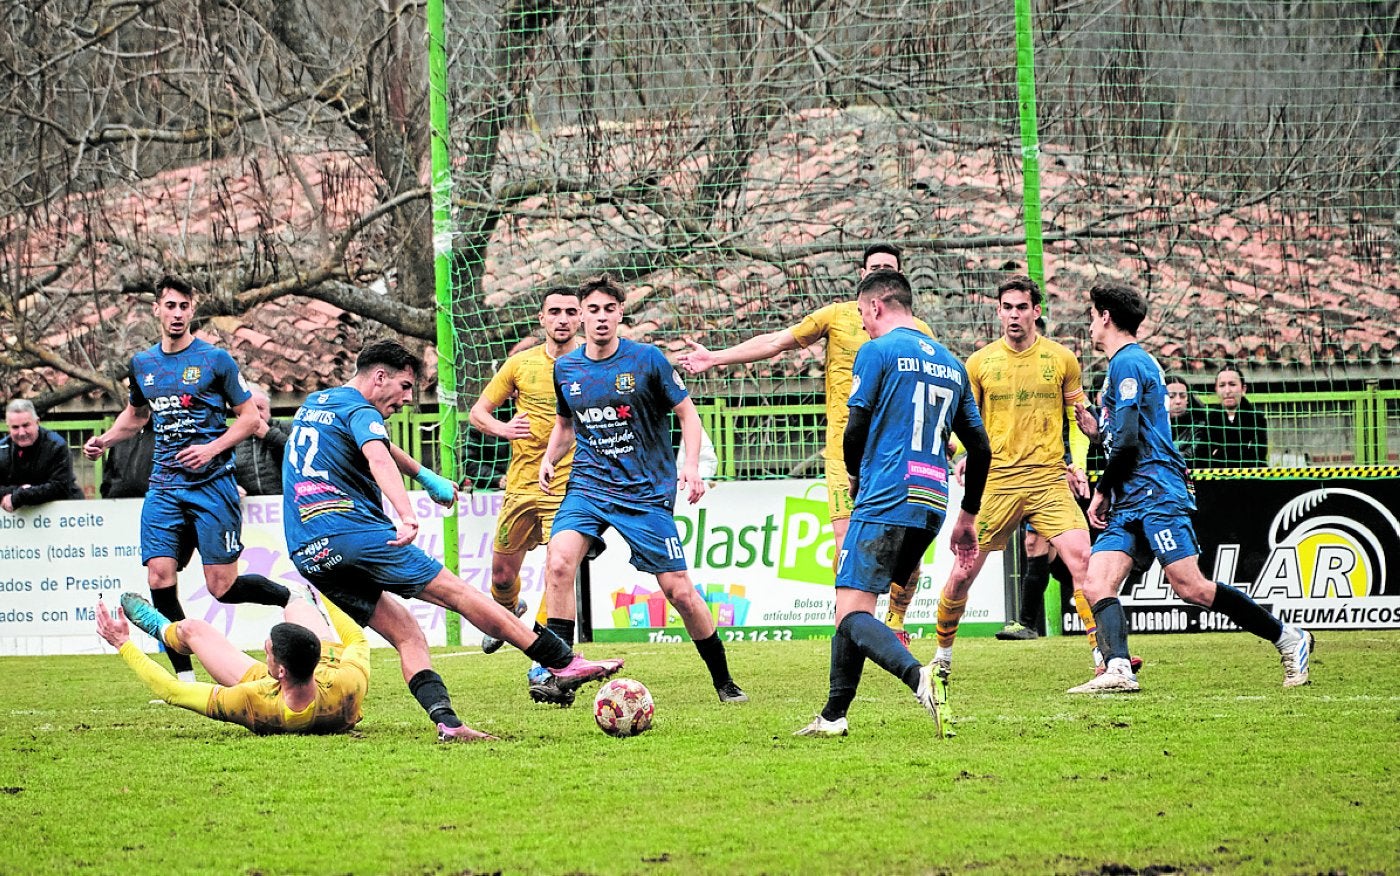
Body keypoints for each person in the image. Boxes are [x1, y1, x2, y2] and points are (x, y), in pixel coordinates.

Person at [282, 338, 622, 740]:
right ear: (379, 377)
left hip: (307, 550)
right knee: (460, 594)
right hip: (352, 532)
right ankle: (560, 661)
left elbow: (383, 445)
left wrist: (424, 477)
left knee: (406, 632)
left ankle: (448, 722)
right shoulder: (361, 410)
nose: (408, 399)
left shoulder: (320, 402)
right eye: (405, 387)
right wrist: (407, 514)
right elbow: (376, 455)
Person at [678, 243, 932, 642]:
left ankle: (897, 622)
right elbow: (777, 341)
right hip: (845, 450)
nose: (879, 273)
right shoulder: (836, 316)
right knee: (847, 543)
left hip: (897, 451)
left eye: (888, 268)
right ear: (862, 275)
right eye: (874, 267)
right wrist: (716, 358)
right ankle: (848, 624)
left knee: (905, 545)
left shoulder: (918, 332)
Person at [1069, 282, 1312, 693]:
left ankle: (1289, 638)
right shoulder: (1125, 366)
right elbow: (1127, 433)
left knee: (1191, 588)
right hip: (1131, 497)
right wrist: (1097, 434)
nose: (1089, 325)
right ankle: (1118, 669)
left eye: (1092, 316)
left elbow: (1129, 443)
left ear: (1106, 316)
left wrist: (1101, 489)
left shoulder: (1128, 362)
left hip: (1156, 491)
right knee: (1096, 582)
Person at [794, 269, 991, 738]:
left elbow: (854, 428)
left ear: (877, 306)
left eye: (862, 313)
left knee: (850, 612)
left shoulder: (876, 351)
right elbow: (980, 449)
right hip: (933, 502)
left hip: (886, 495)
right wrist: (968, 516)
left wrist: (859, 481)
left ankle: (918, 676)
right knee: (854, 606)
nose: (861, 322)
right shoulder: (949, 361)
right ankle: (833, 716)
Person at [539, 276, 745, 706]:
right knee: (558, 563)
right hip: (588, 487)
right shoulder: (566, 369)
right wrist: (549, 458)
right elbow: (565, 426)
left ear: (619, 313)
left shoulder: (647, 360)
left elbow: (688, 416)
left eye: (608, 309)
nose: (599, 318)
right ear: (580, 317)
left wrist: (689, 468)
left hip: (645, 493)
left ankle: (723, 680)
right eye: (590, 310)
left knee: (679, 591)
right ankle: (560, 674)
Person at [82, 277, 287, 682]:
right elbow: (137, 416)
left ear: (193, 310)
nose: (177, 314)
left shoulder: (216, 360)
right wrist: (105, 440)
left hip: (213, 484)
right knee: (158, 574)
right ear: (156, 309)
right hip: (165, 484)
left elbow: (248, 419)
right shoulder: (143, 364)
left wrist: (211, 450)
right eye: (170, 306)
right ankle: (183, 674)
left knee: (221, 587)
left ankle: (290, 596)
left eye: (184, 306)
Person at [931, 275, 1115, 681]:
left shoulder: (1062, 360)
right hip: (996, 481)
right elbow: (968, 424)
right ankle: (941, 656)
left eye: (1022, 307)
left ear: (1036, 311)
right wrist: (962, 454)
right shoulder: (979, 364)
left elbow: (1078, 419)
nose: (1014, 315)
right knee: (962, 573)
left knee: (1084, 562)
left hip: (1049, 479)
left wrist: (1080, 461)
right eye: (1007, 307)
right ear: (998, 311)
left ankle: (1103, 659)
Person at [468, 287, 582, 658]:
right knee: (501, 575)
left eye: (570, 311)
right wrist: (504, 429)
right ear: (542, 318)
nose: (562, 319)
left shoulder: (588, 364)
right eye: (555, 312)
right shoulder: (520, 364)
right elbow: (478, 413)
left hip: (568, 484)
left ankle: (551, 657)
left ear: (580, 318)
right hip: (520, 484)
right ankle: (507, 612)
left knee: (558, 570)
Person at [96, 589, 370, 735]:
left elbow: (171, 690)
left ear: (280, 671)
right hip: (315, 673)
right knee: (298, 605)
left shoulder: (251, 700)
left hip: (270, 683)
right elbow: (356, 639)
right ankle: (305, 601)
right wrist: (327, 587)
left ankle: (162, 629)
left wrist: (123, 643)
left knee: (192, 629)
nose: (265, 650)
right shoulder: (346, 681)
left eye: (268, 651)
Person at [1, 399, 83, 511]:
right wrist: (18, 490)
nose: (21, 432)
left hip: (62, 516)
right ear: (8, 427)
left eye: (26, 425)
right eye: (15, 427)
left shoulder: (56, 445)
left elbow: (60, 487)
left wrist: (20, 496)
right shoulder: (2, 449)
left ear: (37, 422)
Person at [1198, 367, 1269, 467]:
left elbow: (1259, 455)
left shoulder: (1256, 418)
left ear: (1243, 389)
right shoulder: (1211, 418)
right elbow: (1203, 456)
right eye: (1222, 385)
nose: (1227, 391)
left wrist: (1220, 452)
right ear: (1216, 389)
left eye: (1232, 384)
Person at [233, 388, 290, 496]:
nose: (256, 414)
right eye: (249, 409)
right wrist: (230, 486)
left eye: (260, 408)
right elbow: (219, 471)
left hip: (285, 503)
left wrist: (269, 435)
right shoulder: (230, 437)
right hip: (249, 508)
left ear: (269, 410)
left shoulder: (286, 428)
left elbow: (300, 458)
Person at [99, 424, 155, 498]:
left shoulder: (165, 436)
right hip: (118, 500)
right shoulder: (121, 436)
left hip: (154, 501)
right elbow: (109, 471)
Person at [1164, 374, 1207, 470]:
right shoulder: (1151, 426)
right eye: (1171, 396)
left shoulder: (1199, 426)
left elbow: (1190, 456)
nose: (1178, 401)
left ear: (1188, 400)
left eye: (1183, 396)